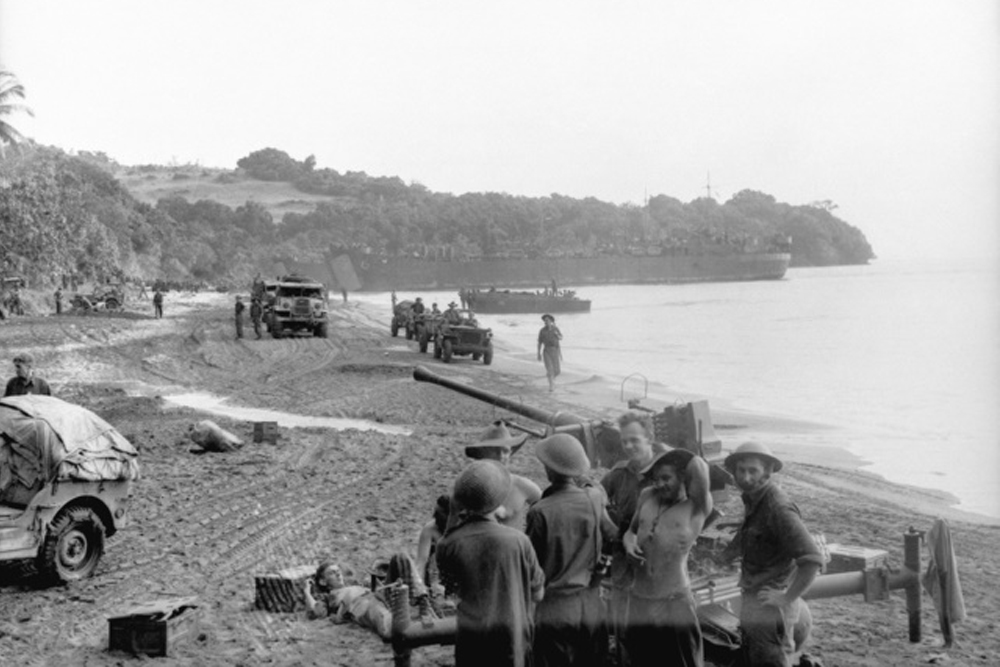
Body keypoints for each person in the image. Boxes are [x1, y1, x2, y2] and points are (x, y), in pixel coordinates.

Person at [437, 460, 545, 667]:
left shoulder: (448, 545)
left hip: (471, 642)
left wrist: (453, 512)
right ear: (498, 503)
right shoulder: (519, 541)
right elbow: (538, 593)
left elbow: (449, 589)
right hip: (513, 641)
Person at [725, 441, 823, 667]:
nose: (746, 477)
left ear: (767, 472)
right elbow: (748, 533)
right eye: (741, 470)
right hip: (753, 603)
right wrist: (724, 557)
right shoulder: (753, 499)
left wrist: (787, 597)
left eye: (753, 471)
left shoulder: (777, 507)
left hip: (770, 611)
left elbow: (812, 560)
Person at [525, 434, 611, 667]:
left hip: (556, 606)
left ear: (549, 469)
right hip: (592, 600)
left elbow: (533, 566)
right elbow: (611, 533)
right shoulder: (593, 498)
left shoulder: (540, 511)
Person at [622, 448, 712, 667]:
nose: (660, 484)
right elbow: (630, 531)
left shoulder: (696, 507)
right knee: (641, 659)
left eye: (666, 478)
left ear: (682, 476)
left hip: (674, 600)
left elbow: (698, 467)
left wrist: (678, 453)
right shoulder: (647, 496)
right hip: (640, 597)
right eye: (656, 478)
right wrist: (629, 544)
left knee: (682, 661)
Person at [599, 412, 669, 667]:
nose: (628, 446)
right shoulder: (619, 473)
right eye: (624, 441)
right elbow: (594, 493)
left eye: (634, 440)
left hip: (657, 567)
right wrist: (608, 525)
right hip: (623, 565)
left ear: (649, 438)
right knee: (622, 629)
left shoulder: (668, 473)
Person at [453, 421, 542, 532]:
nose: (501, 456)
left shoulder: (523, 486)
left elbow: (547, 511)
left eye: (505, 451)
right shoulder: (467, 486)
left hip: (512, 547)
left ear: (510, 453)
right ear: (482, 453)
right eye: (495, 450)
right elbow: (451, 527)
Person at [303, 561, 392, 639]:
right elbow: (317, 612)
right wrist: (307, 591)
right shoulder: (328, 597)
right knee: (382, 616)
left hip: (376, 596)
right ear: (323, 582)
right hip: (360, 604)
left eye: (338, 571)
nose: (338, 574)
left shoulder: (354, 584)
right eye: (332, 573)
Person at [537, 314, 562, 392]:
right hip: (547, 351)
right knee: (550, 369)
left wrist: (556, 334)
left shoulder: (555, 329)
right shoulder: (542, 330)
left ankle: (551, 378)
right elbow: (539, 342)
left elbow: (561, 338)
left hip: (555, 350)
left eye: (547, 320)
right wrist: (538, 353)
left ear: (551, 321)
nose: (546, 322)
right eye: (545, 320)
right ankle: (551, 386)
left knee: (557, 371)